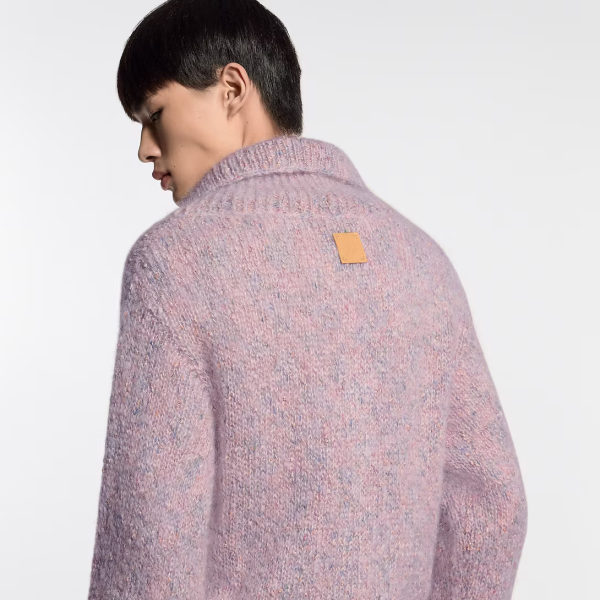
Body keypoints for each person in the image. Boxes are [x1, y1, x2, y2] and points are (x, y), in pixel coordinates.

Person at [87, 1, 528, 599]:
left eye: (154, 113)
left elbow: (152, 534)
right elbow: (492, 507)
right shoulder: (419, 257)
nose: (144, 147)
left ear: (232, 89)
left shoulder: (174, 261)